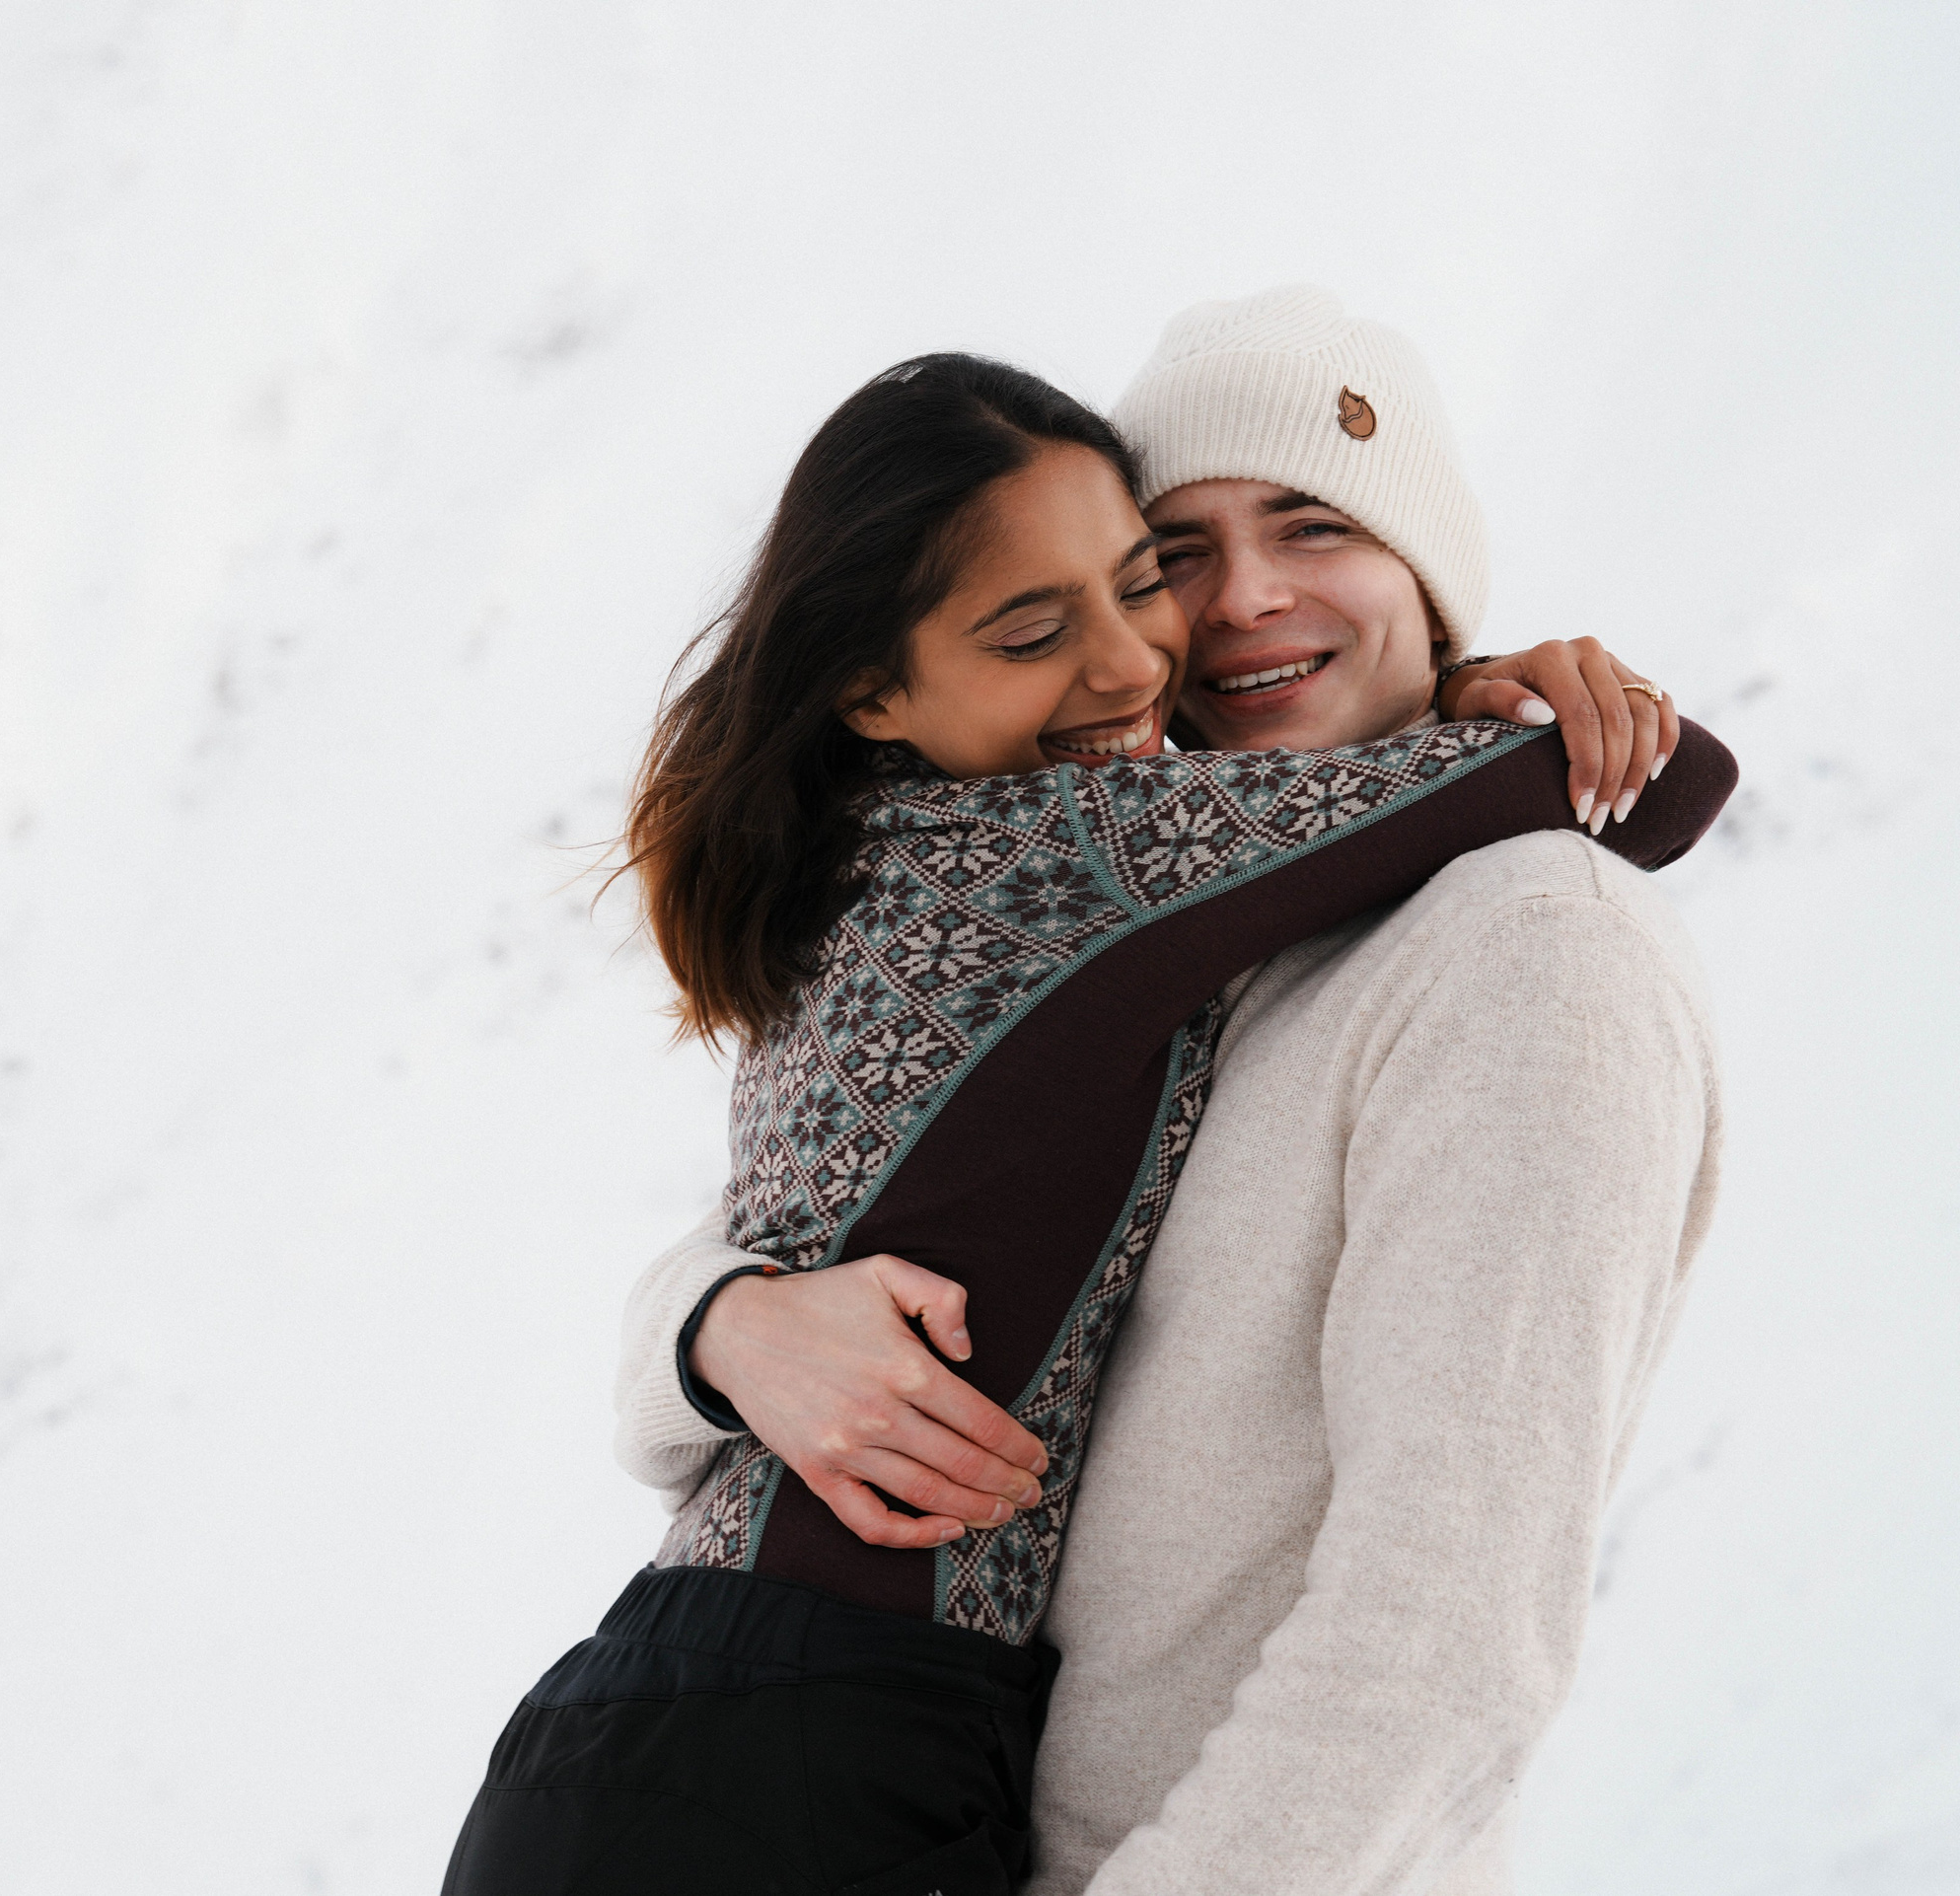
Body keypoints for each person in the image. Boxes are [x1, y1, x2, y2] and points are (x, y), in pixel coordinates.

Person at [450, 328, 1731, 1895]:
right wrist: (723, 1323)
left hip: (750, 1746)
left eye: (1319, 525)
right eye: (1181, 552)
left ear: (1433, 566)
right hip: (805, 1761)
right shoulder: (1105, 897)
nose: (1226, 606)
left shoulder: (1516, 939)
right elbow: (740, 1287)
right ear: (880, 683)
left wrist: (1458, 720)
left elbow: (1446, 1647)